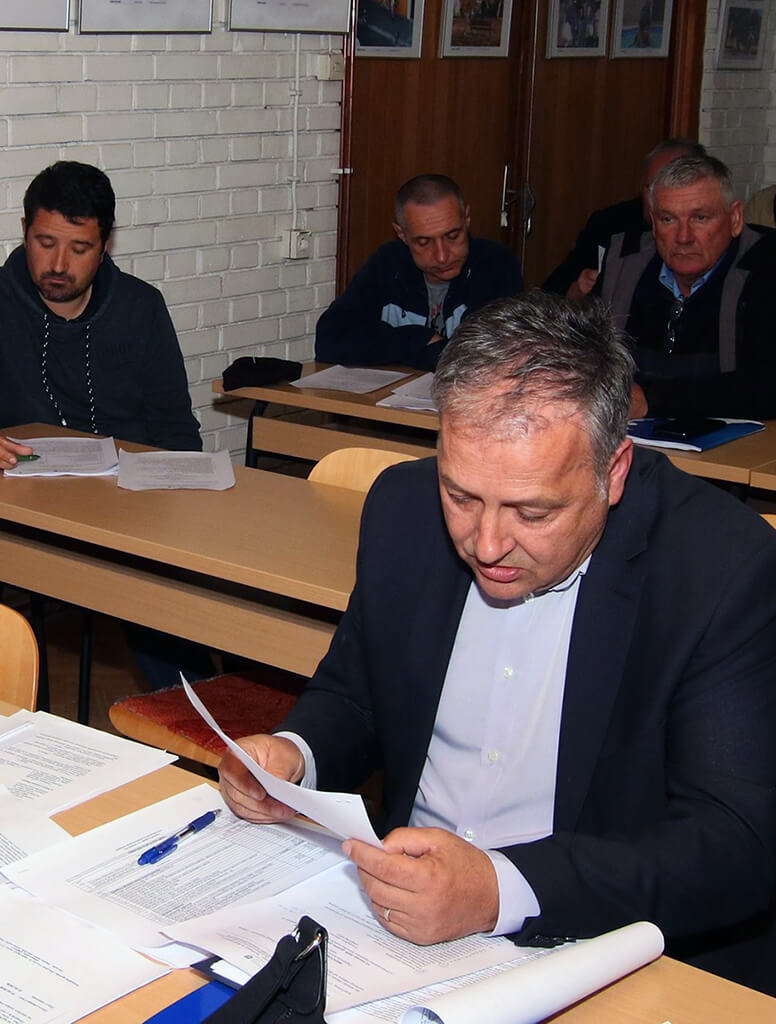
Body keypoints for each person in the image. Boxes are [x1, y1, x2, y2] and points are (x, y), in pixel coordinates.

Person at [220, 292, 776, 993]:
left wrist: (500, 889)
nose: (485, 544)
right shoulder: (402, 508)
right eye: (461, 496)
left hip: (595, 940)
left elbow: (735, 842)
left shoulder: (720, 568)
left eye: (532, 512)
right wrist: (295, 757)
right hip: (389, 923)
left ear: (613, 472)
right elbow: (357, 695)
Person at [0, 160, 201, 468]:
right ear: (25, 232)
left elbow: (175, 428)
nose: (59, 265)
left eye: (79, 249)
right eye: (46, 243)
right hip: (18, 486)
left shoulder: (141, 307)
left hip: (123, 486)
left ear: (104, 246)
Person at [596, 154, 776, 419]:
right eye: (668, 220)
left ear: (735, 218)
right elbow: (585, 357)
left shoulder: (766, 267)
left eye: (700, 218)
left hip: (741, 441)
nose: (683, 237)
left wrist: (651, 400)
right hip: (631, 436)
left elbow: (766, 387)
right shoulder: (624, 264)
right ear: (653, 224)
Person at [313, 174, 522, 370]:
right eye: (424, 242)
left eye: (453, 236)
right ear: (402, 234)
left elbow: (484, 355)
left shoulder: (496, 264)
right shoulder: (388, 262)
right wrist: (419, 339)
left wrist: (397, 348)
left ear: (467, 219)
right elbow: (329, 340)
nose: (442, 256)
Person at [542, 138, 705, 300]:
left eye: (671, 188)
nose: (657, 199)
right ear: (641, 187)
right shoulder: (611, 224)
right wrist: (576, 290)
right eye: (651, 188)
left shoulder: (703, 236)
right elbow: (549, 292)